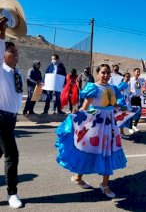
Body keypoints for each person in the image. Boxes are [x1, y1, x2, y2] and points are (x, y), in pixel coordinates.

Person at [55, 64, 127, 198]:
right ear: (98, 73)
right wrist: (76, 114)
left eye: (108, 73)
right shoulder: (93, 87)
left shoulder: (113, 88)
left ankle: (105, 184)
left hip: (110, 125)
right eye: (103, 73)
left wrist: (123, 108)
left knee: (108, 151)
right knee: (88, 150)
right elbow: (86, 107)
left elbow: (113, 105)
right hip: (96, 125)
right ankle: (77, 177)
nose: (106, 75)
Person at [0, 18, 23, 208]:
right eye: (11, 51)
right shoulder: (0, 69)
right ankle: (12, 194)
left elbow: (16, 96)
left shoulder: (17, 73)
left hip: (12, 119)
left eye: (16, 51)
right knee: (12, 155)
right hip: (0, 117)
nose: (15, 54)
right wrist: (2, 31)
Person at [128, 64, 146, 134]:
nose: (138, 73)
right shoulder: (130, 80)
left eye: (139, 72)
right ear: (134, 72)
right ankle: (130, 128)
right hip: (132, 98)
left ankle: (135, 125)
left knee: (139, 113)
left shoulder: (140, 80)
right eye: (137, 71)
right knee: (131, 113)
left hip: (138, 98)